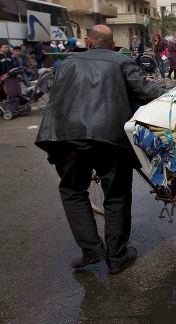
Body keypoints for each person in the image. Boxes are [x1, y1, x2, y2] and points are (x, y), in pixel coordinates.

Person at [35, 25, 164, 274]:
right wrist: (173, 94)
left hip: (66, 138)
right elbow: (146, 90)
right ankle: (117, 257)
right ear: (113, 45)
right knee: (115, 195)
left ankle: (92, 249)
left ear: (89, 42)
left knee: (73, 191)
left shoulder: (66, 63)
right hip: (108, 138)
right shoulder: (121, 61)